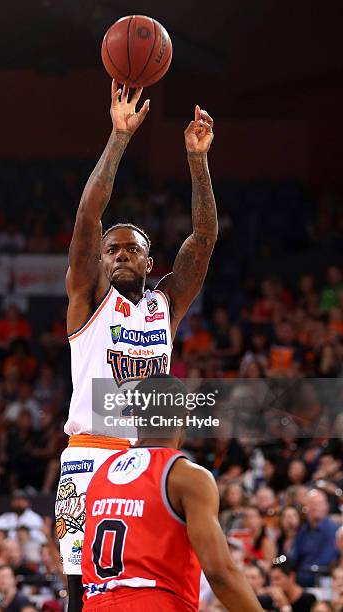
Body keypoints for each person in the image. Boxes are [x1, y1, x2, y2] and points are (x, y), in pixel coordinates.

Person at [58, 78, 218, 610]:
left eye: (133, 249)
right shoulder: (87, 300)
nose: (121, 254)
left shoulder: (163, 305)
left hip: (149, 459)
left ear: (150, 262)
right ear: (100, 260)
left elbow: (203, 239)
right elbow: (87, 216)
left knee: (151, 585)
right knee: (80, 586)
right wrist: (119, 136)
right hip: (88, 456)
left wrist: (197, 160)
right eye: (113, 249)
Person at [81, 376, 262, 611]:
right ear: (185, 417)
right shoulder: (188, 476)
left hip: (95, 603)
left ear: (134, 414)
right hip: (156, 603)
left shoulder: (101, 474)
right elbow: (219, 573)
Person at [289, 489, 339, 587]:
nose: (315, 507)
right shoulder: (302, 530)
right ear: (306, 507)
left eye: (319, 503)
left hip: (323, 581)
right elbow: (294, 557)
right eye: (312, 503)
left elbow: (328, 559)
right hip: (300, 580)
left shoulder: (334, 530)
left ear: (327, 507)